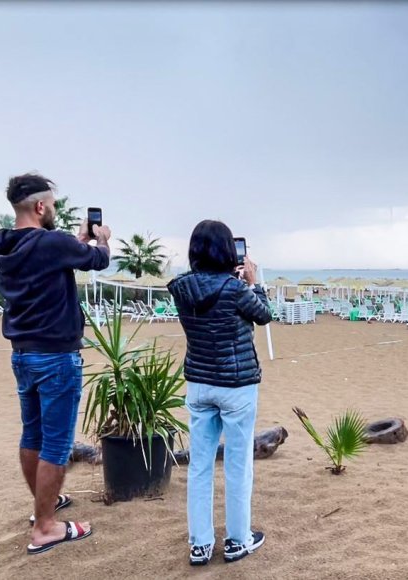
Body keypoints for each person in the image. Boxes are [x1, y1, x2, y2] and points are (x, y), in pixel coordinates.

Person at [0, 172, 111, 555]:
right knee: (55, 443)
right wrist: (102, 240)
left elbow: (49, 254)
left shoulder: (0, 244)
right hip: (56, 355)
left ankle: (44, 506)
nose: (53, 210)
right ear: (40, 206)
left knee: (33, 436)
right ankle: (45, 527)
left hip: (22, 353)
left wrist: (74, 239)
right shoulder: (52, 243)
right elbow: (97, 261)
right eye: (52, 204)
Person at [167, 220, 272, 566]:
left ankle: (200, 544)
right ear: (229, 251)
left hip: (199, 383)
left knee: (199, 465)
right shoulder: (235, 288)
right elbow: (264, 315)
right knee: (238, 465)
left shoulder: (182, 289)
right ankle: (237, 540)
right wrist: (253, 284)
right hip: (237, 386)